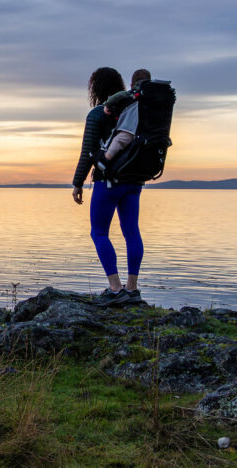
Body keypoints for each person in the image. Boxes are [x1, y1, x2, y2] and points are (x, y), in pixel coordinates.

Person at [71, 67, 145, 307]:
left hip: (109, 180)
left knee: (99, 232)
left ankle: (115, 289)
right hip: (135, 179)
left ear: (95, 88)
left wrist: (78, 183)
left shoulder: (97, 114)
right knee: (131, 231)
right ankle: (132, 289)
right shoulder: (136, 108)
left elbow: (87, 152)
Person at [96, 69, 152, 169]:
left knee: (118, 141)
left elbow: (117, 97)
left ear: (131, 84)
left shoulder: (131, 94)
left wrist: (107, 105)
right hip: (149, 133)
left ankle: (105, 160)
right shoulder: (154, 97)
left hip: (130, 130)